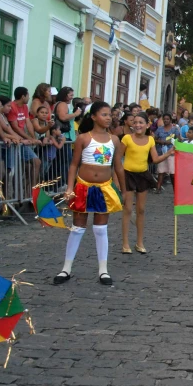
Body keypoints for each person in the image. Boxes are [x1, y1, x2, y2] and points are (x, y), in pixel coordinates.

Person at [53, 102, 126, 286]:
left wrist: (123, 190)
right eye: (104, 114)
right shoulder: (83, 138)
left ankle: (103, 270)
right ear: (93, 117)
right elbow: (73, 165)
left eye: (110, 114)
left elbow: (118, 167)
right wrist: (70, 187)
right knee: (77, 228)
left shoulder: (114, 140)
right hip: (83, 187)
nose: (108, 117)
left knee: (101, 229)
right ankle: (66, 268)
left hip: (104, 188)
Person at [120, 114, 174, 254]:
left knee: (141, 210)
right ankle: (125, 243)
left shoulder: (150, 139)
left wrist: (169, 153)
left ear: (147, 125)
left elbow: (155, 159)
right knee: (127, 209)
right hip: (128, 174)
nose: (138, 125)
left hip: (143, 175)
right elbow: (117, 159)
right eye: (135, 122)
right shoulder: (127, 138)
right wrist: (118, 179)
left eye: (141, 122)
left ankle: (139, 242)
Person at [5, 87, 42, 202]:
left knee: (34, 163)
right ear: (23, 96)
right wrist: (27, 138)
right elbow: (14, 126)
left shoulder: (25, 107)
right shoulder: (12, 107)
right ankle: (20, 195)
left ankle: (29, 193)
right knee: (19, 168)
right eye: (28, 95)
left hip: (23, 141)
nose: (29, 97)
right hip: (16, 141)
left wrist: (33, 137)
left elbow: (28, 122)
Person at [153, 113, 181, 193]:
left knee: (172, 173)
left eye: (167, 119)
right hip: (162, 152)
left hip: (171, 152)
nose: (166, 120)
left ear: (170, 120)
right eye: (164, 119)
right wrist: (161, 141)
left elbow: (179, 139)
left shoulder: (174, 129)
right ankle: (158, 188)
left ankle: (175, 189)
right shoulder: (159, 129)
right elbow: (154, 139)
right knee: (161, 171)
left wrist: (172, 142)